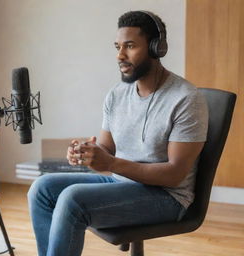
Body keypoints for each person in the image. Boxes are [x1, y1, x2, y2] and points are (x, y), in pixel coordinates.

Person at [28, 10, 208, 256]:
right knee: (42, 188)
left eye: (130, 46)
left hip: (167, 197)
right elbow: (106, 150)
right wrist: (88, 154)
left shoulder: (185, 99)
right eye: (117, 47)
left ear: (157, 48)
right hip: (121, 182)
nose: (120, 55)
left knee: (73, 199)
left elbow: (175, 175)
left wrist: (110, 162)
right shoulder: (117, 94)